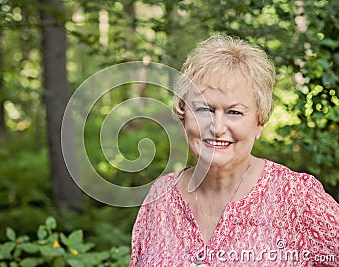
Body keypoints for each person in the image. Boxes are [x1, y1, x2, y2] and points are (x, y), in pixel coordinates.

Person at [129, 35, 339, 266]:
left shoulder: (296, 197)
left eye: (234, 112)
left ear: (259, 122)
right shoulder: (160, 197)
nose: (217, 128)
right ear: (183, 116)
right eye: (204, 109)